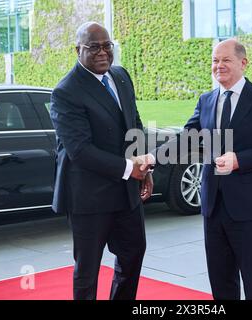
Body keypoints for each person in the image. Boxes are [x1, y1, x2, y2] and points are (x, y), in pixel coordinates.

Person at [140, 39, 252, 300]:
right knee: (220, 278)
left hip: (247, 204)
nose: (218, 66)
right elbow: (186, 138)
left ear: (243, 63)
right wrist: (153, 157)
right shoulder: (206, 100)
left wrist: (239, 159)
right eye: (214, 60)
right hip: (212, 204)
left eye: (226, 60)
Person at [49, 21, 153, 300]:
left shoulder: (121, 76)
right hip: (89, 197)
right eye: (93, 47)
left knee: (133, 255)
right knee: (87, 271)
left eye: (107, 46)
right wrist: (130, 169)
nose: (102, 52)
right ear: (77, 50)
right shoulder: (65, 92)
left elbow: (134, 123)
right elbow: (79, 150)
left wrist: (143, 168)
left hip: (126, 192)